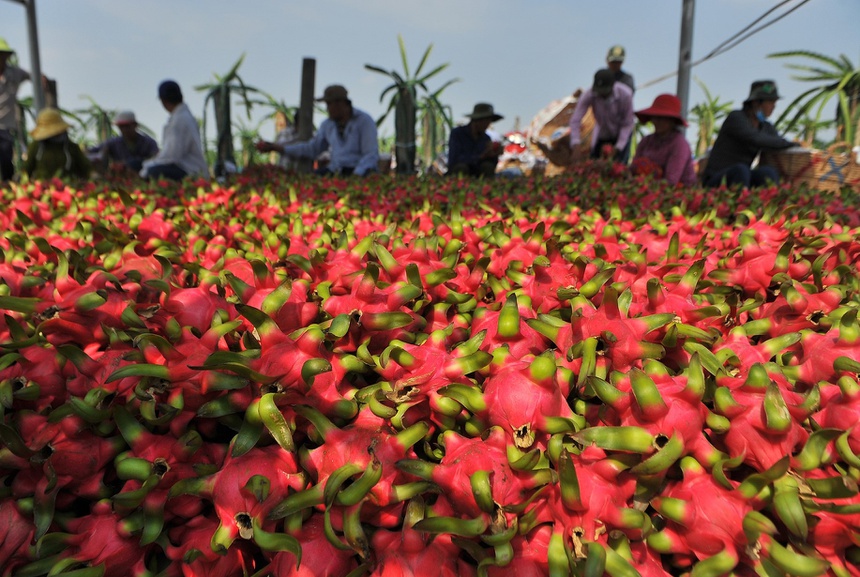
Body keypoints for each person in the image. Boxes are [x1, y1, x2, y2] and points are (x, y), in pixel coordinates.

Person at [256, 85, 378, 176]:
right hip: (336, 170)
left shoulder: (364, 121)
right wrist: (279, 148)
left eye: (329, 104)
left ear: (342, 103)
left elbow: (370, 155)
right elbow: (312, 148)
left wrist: (357, 175)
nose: (328, 108)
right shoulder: (328, 124)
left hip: (360, 170)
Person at [702, 80, 795, 188]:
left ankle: (770, 202)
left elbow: (777, 141)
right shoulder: (736, 118)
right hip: (718, 178)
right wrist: (788, 143)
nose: (773, 106)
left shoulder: (766, 127)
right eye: (770, 102)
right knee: (741, 170)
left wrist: (793, 145)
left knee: (768, 173)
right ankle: (739, 202)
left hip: (743, 178)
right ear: (756, 102)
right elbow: (756, 139)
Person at [140, 80, 208, 181]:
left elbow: (172, 157)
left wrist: (145, 167)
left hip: (190, 171)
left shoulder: (179, 120)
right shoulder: (185, 117)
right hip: (191, 168)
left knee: (152, 172)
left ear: (163, 100)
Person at [569, 68, 635, 163]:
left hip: (621, 136)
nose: (602, 95)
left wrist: (618, 147)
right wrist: (576, 144)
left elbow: (627, 123)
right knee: (595, 165)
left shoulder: (625, 94)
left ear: (612, 86)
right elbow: (575, 120)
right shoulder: (589, 94)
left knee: (619, 166)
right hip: (602, 135)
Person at [630, 94, 697, 186]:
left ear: (672, 121)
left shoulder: (679, 144)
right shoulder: (646, 141)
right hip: (645, 188)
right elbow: (632, 169)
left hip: (678, 193)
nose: (656, 121)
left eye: (662, 118)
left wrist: (642, 184)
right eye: (655, 117)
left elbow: (671, 181)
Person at [24, 107, 90, 180]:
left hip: (68, 187)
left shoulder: (71, 147)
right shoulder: (36, 146)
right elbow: (27, 167)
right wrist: (21, 176)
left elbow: (86, 167)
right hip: (42, 187)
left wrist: (93, 174)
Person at [0, 37, 30, 182]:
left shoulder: (14, 73)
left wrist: (41, 78)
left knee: (6, 156)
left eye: (3, 55)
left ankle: (7, 184)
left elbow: (31, 76)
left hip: (5, 125)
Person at [447, 103, 504, 177]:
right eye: (486, 121)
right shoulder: (457, 133)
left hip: (477, 173)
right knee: (461, 168)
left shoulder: (486, 138)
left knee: (487, 166)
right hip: (459, 171)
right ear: (477, 120)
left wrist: (494, 154)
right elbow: (454, 159)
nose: (488, 124)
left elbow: (490, 164)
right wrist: (480, 157)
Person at [90, 110, 159, 173]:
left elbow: (157, 158)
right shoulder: (113, 142)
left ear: (135, 125)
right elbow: (92, 151)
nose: (124, 129)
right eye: (121, 127)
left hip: (144, 174)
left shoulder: (148, 142)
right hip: (119, 177)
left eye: (127, 126)